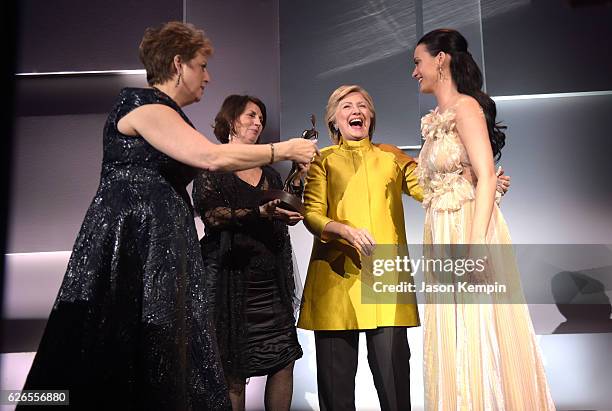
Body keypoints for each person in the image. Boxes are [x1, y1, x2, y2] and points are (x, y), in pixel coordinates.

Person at [19, 22, 317, 410]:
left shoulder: (172, 116)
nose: (207, 76)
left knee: (161, 351)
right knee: (115, 344)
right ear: (179, 64)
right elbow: (211, 157)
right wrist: (286, 148)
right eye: (202, 65)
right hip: (132, 244)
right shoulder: (141, 105)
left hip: (163, 245)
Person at [412, 28, 555, 410]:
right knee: (452, 330)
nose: (415, 72)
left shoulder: (466, 107)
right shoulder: (435, 118)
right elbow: (447, 175)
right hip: (441, 229)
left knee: (476, 327)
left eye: (418, 62)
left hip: (466, 229)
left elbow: (487, 174)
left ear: (440, 59)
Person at [297, 84, 423, 411]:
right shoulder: (322, 160)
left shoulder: (390, 157)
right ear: (334, 121)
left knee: (395, 387)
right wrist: (342, 230)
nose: (357, 111)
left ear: (371, 116)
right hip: (336, 278)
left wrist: (482, 184)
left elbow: (432, 190)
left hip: (383, 278)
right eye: (347, 106)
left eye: (363, 105)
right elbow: (311, 214)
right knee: (336, 394)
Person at [192, 95, 305, 411]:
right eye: (251, 115)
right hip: (229, 280)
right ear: (231, 121)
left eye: (261, 118)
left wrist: (289, 210)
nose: (258, 122)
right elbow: (212, 216)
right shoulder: (212, 167)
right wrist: (259, 212)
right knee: (232, 369)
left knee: (284, 358)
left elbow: (283, 213)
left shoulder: (271, 174)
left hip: (269, 282)